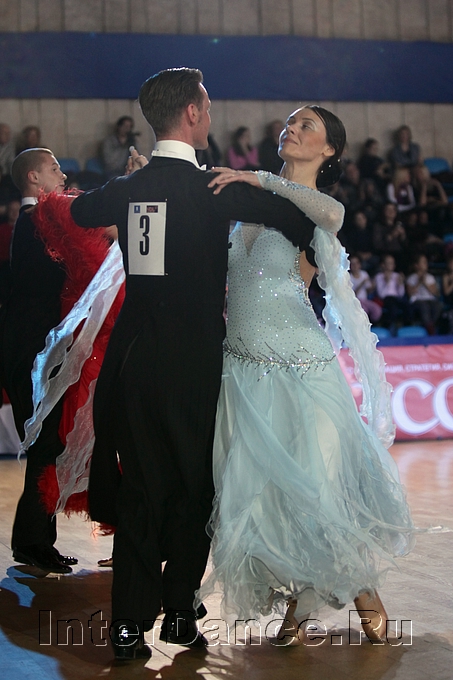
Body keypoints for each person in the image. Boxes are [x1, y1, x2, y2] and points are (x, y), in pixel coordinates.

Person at [68, 67, 318, 661]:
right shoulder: (216, 188)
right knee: (194, 487)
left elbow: (81, 214)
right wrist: (254, 179)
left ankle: (127, 626)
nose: (210, 113)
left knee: (141, 489)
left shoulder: (128, 188)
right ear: (192, 115)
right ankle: (180, 613)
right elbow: (300, 219)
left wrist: (132, 185)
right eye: (206, 105)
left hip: (134, 360)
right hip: (196, 361)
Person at [195, 104, 414, 646]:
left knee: (315, 490)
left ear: (330, 149)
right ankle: (301, 603)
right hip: (242, 371)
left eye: (305, 125)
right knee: (266, 497)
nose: (290, 128)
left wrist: (259, 177)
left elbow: (332, 215)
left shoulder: (316, 208)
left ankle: (359, 591)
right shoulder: (249, 204)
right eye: (289, 123)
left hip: (300, 367)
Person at [0, 149, 75, 573]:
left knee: (47, 444)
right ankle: (33, 542)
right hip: (31, 350)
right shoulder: (36, 220)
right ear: (33, 177)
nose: (62, 174)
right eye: (54, 168)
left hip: (32, 347)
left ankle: (35, 541)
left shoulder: (35, 221)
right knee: (46, 443)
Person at [406, 253, 442, 334]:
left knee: (438, 305)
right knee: (424, 306)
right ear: (416, 265)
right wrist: (419, 282)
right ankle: (428, 326)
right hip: (417, 301)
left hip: (430, 300)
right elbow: (410, 293)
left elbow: (436, 293)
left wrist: (425, 283)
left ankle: (432, 325)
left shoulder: (430, 277)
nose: (426, 264)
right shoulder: (411, 278)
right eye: (423, 262)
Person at [349, 253, 382, 324]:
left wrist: (373, 285)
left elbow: (369, 290)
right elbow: (353, 294)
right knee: (364, 310)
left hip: (365, 300)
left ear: (359, 264)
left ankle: (374, 325)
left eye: (356, 263)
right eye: (352, 264)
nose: (355, 266)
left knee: (377, 310)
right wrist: (362, 284)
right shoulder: (348, 277)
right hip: (355, 301)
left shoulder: (364, 274)